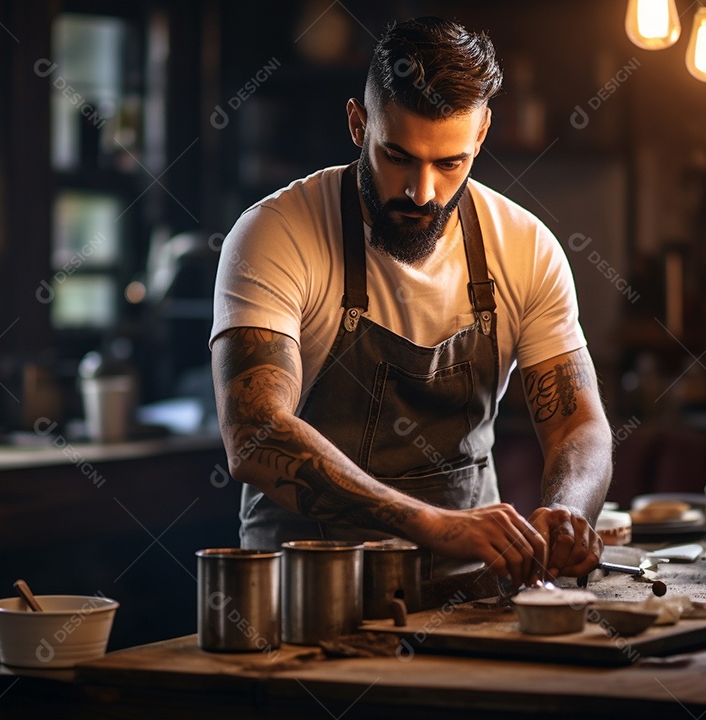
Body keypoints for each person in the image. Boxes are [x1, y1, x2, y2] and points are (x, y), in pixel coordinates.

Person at [210, 16, 612, 586]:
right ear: (358, 123)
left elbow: (577, 423)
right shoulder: (276, 233)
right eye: (397, 156)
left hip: (472, 590)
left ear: (481, 136)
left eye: (450, 164)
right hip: (309, 594)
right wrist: (433, 523)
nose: (421, 192)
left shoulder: (526, 248)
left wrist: (569, 512)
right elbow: (254, 432)